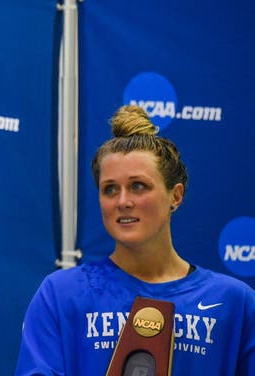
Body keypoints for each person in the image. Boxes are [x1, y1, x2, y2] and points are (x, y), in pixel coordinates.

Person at [15, 105, 255, 375]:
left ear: (175, 196)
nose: (123, 201)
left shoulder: (234, 302)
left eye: (138, 186)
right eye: (110, 189)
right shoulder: (61, 294)